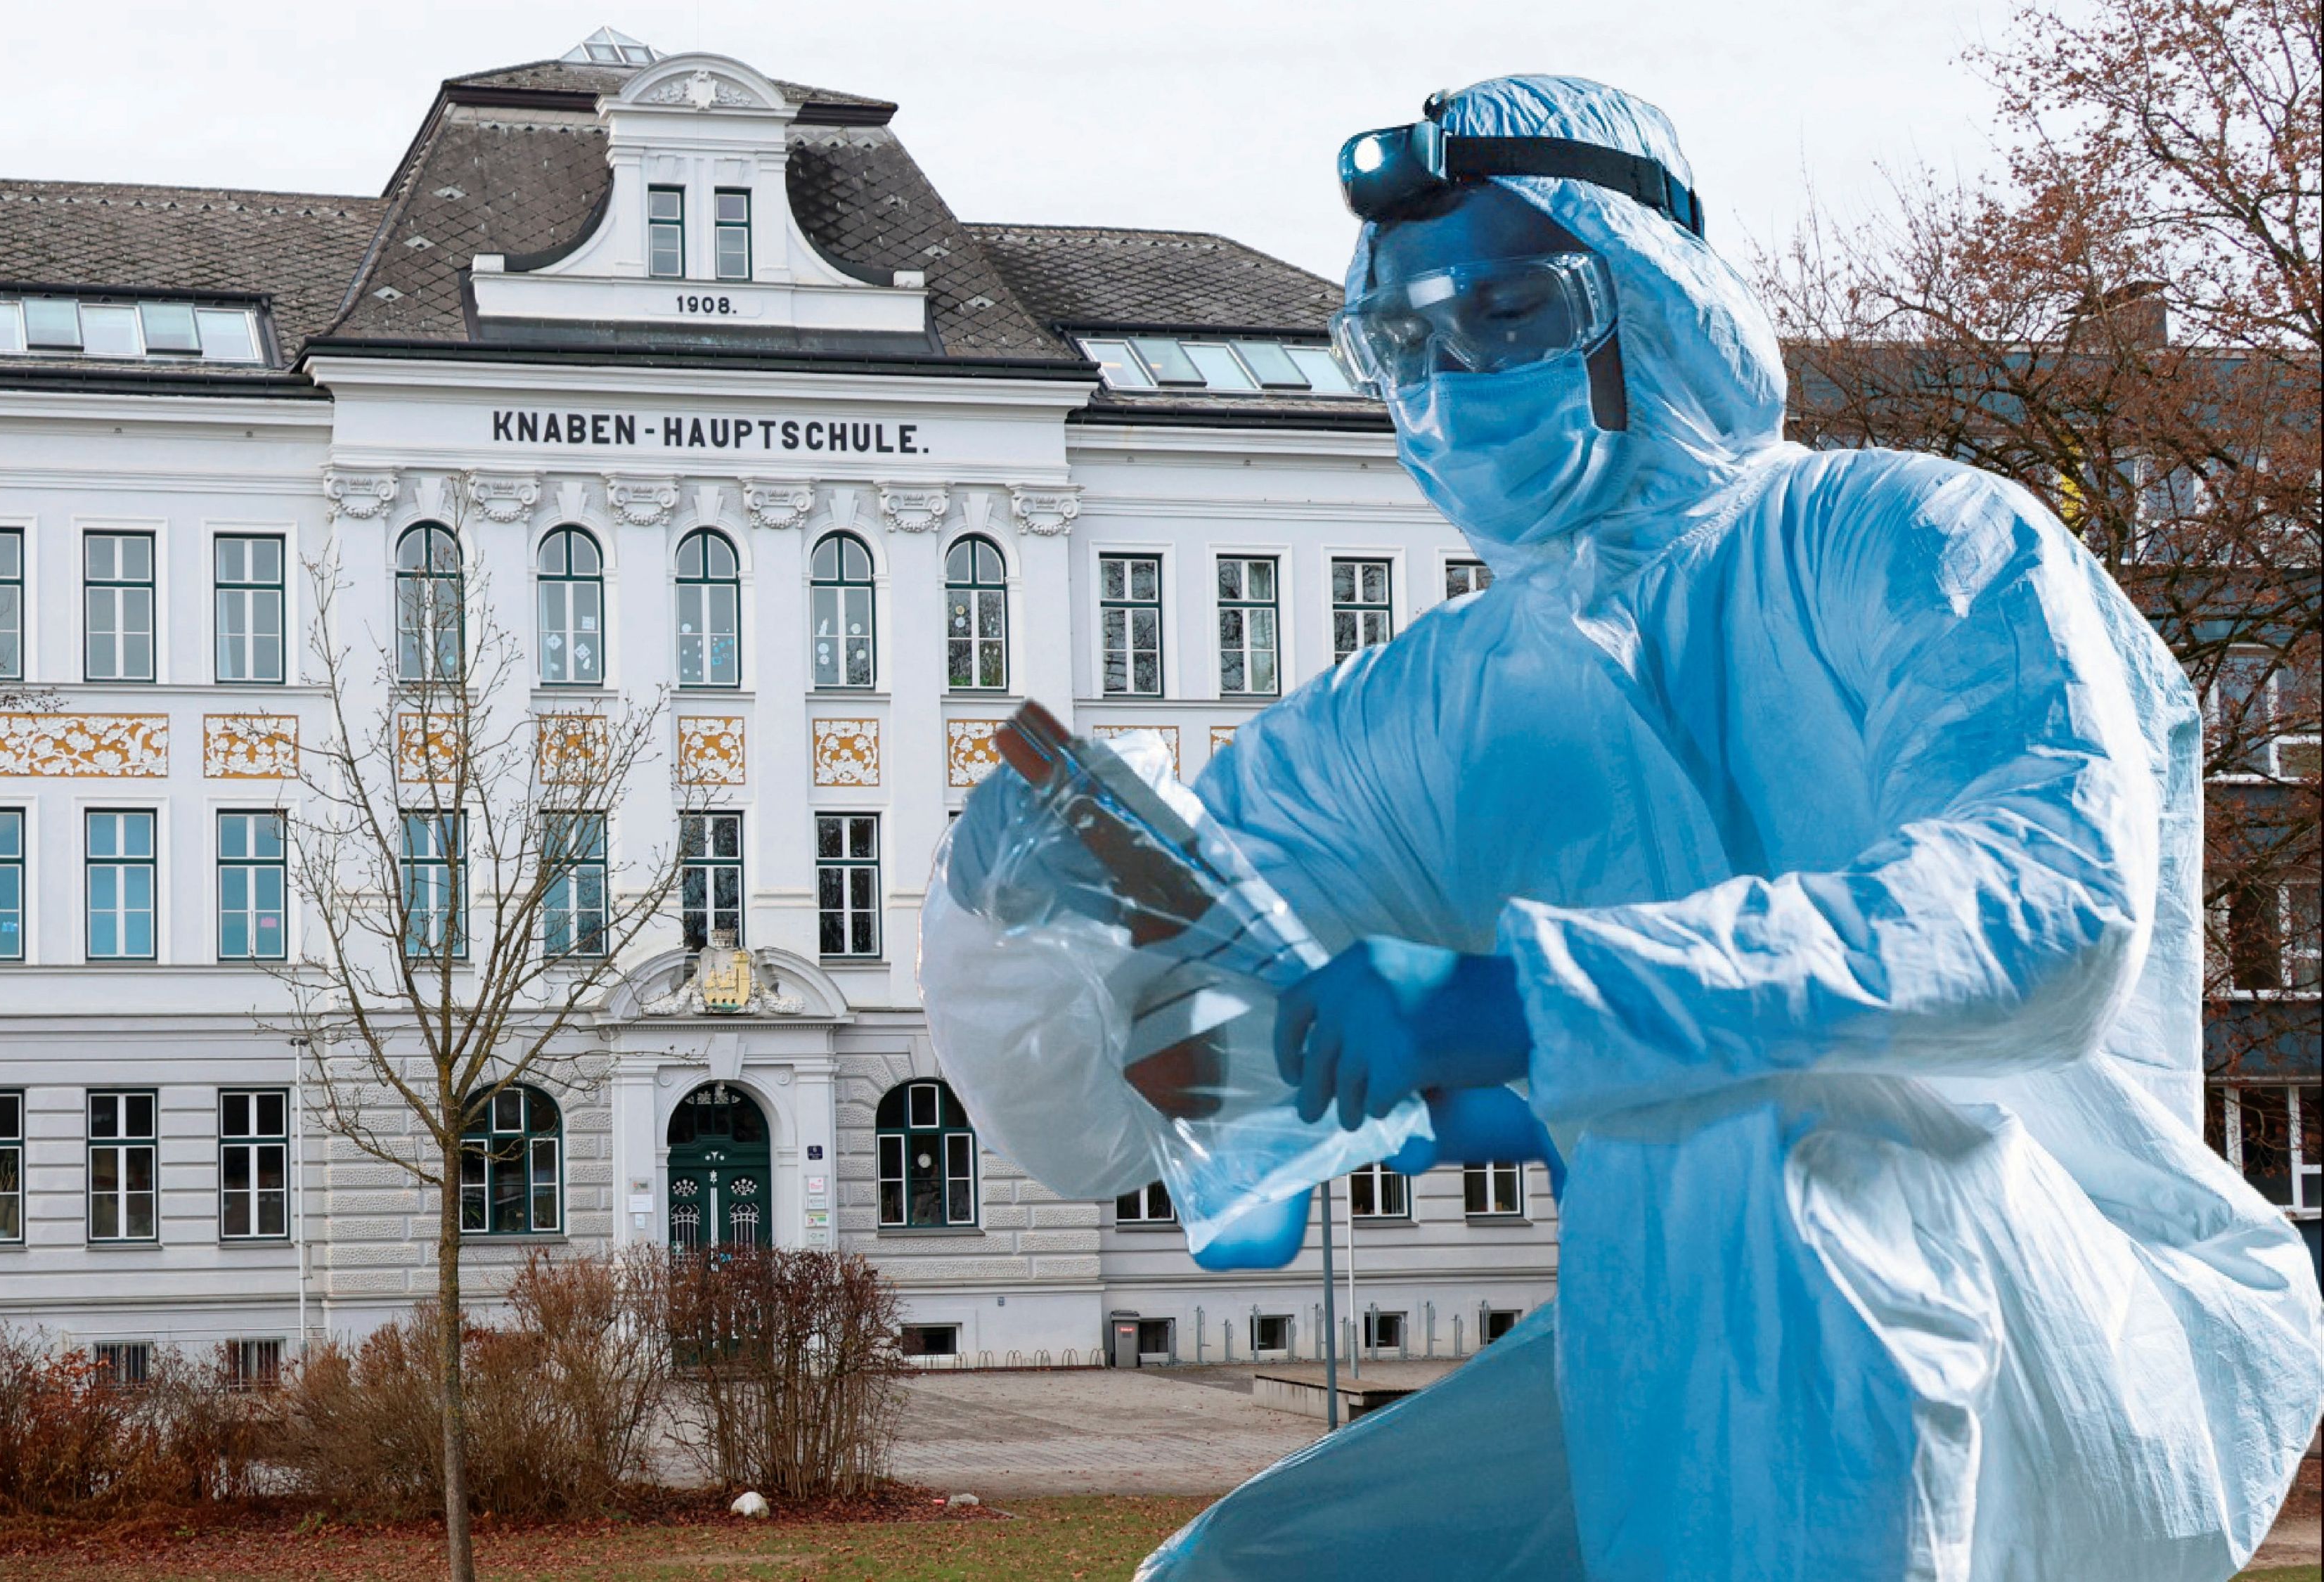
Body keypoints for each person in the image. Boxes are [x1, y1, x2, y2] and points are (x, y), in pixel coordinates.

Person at [936, 75, 2324, 1582]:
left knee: (1750, 1126)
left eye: (1507, 312)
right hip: (1681, 1335)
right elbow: (1125, 1102)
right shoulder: (1434, 706)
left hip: (2081, 1322)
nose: (1448, 376)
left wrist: (1520, 998)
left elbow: (2044, 909)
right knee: (1266, 1567)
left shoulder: (1918, 540)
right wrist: (1038, 911)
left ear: (1648, 306)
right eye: (1399, 341)